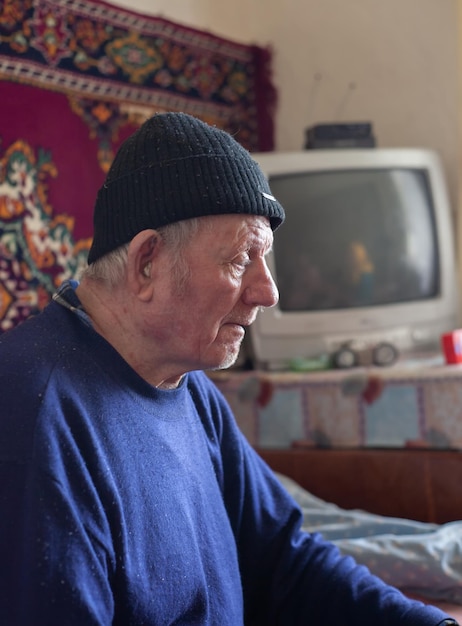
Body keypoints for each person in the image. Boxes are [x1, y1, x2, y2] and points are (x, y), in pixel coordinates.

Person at [0, 112, 457, 626]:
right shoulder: (34, 413)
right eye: (242, 260)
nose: (268, 292)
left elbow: (286, 562)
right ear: (147, 262)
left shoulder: (189, 389)